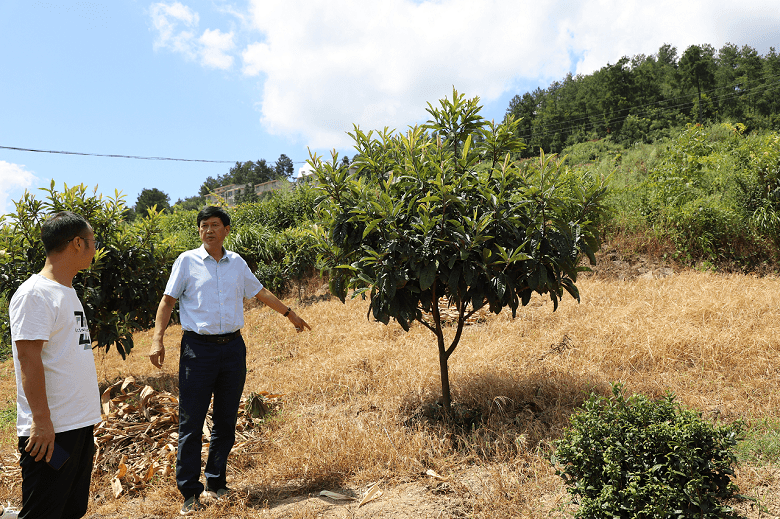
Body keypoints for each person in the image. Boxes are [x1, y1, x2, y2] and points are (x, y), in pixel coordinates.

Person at [149, 205, 311, 515]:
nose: (208, 230)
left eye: (214, 225)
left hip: (233, 349)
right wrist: (157, 338)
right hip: (198, 350)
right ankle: (190, 493)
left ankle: (216, 483)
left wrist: (289, 314)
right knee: (191, 422)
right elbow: (168, 300)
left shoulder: (237, 263)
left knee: (225, 420)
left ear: (225, 230)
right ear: (199, 231)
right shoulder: (187, 261)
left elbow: (259, 291)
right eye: (203, 225)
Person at [9, 211, 101, 519]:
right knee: (44, 512)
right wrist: (42, 422)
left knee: (71, 509)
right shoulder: (35, 294)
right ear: (77, 243)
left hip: (76, 427)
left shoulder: (67, 291)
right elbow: (28, 359)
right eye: (92, 241)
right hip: (52, 433)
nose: (94, 248)